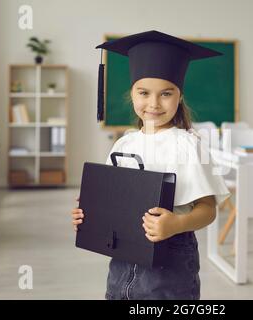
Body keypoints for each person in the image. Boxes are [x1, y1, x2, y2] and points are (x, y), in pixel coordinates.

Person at [71, 30, 230, 300]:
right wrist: (88, 214)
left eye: (165, 94)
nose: (154, 104)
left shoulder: (187, 145)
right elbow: (110, 199)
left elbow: (208, 210)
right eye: (144, 93)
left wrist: (176, 224)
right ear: (132, 93)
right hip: (121, 262)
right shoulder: (124, 144)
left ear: (179, 96)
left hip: (171, 268)